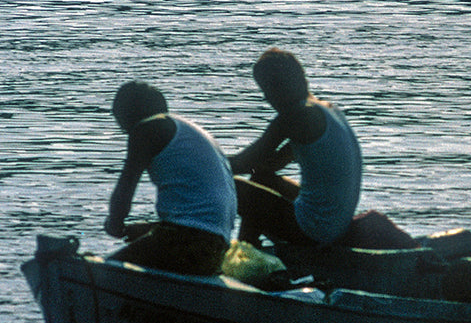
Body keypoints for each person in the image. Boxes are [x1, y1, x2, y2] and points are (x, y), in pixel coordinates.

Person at [230, 48, 363, 247]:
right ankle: (247, 247)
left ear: (279, 87)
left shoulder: (296, 115)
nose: (267, 98)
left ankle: (244, 253)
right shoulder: (326, 108)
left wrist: (201, 162)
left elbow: (242, 164)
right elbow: (268, 167)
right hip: (337, 225)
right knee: (260, 180)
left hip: (315, 230)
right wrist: (259, 170)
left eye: (267, 90)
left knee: (236, 186)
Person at [105, 81, 237, 275]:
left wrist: (114, 223)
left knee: (107, 271)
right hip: (216, 247)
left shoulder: (146, 129)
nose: (115, 118)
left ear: (128, 111)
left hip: (190, 242)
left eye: (116, 110)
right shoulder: (186, 129)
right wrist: (150, 229)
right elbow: (202, 215)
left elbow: (125, 190)